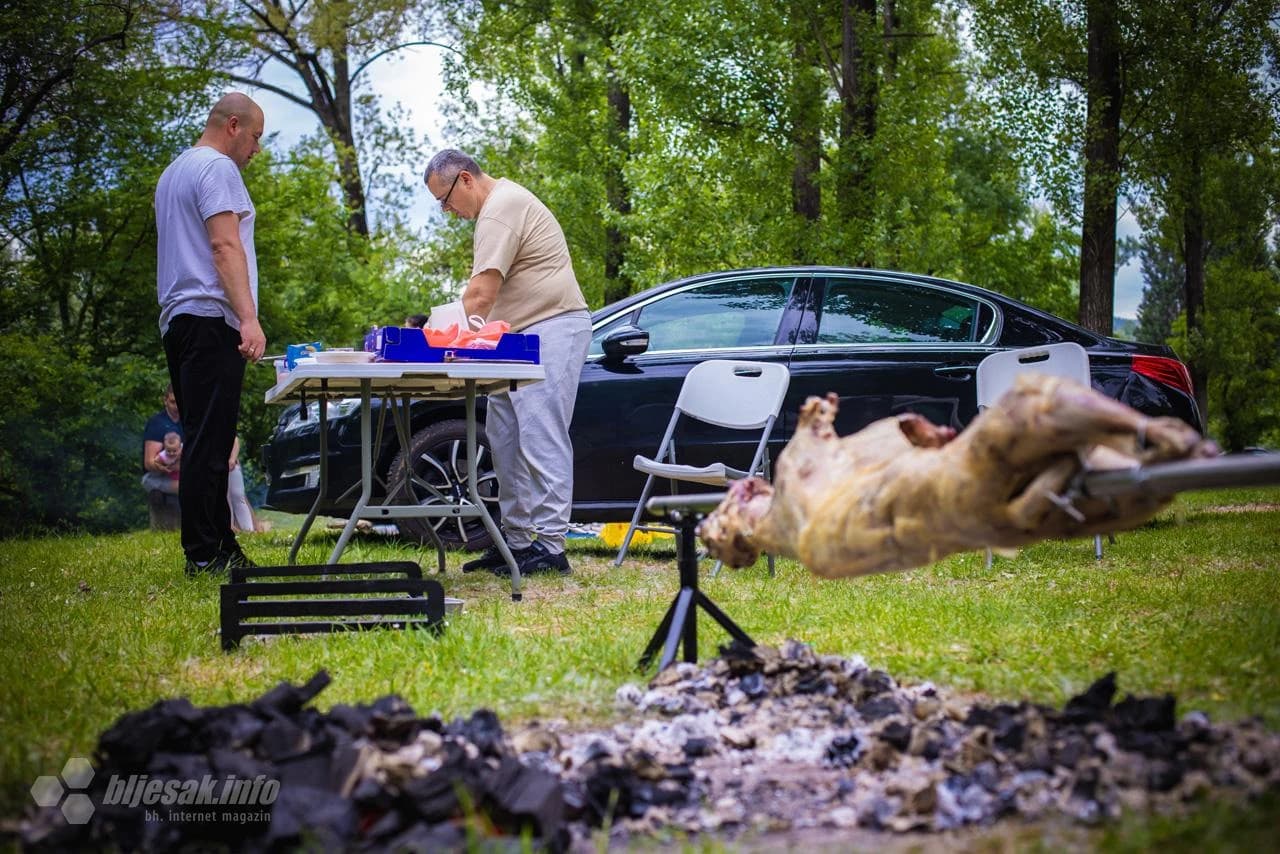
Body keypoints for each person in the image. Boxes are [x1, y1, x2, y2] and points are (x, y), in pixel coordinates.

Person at [423, 149, 591, 576]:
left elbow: (480, 294)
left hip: (552, 327)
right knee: (504, 437)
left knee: (540, 434)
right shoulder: (496, 211)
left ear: (464, 179)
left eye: (444, 201)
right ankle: (514, 541)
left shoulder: (501, 208)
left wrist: (445, 343)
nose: (447, 211)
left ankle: (552, 546)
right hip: (517, 337)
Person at [155, 92, 266, 576]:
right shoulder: (218, 169)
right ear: (234, 126)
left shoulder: (173, 172)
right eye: (256, 138)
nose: (256, 151)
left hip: (179, 320)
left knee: (208, 438)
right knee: (209, 442)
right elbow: (224, 245)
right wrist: (248, 318)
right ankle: (204, 552)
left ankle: (221, 545)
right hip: (208, 317)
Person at [141, 385, 183, 495]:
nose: (177, 407)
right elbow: (149, 463)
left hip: (184, 473)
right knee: (191, 487)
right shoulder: (157, 424)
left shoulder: (190, 422)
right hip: (158, 476)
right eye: (173, 402)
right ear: (165, 400)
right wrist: (166, 466)